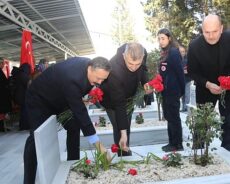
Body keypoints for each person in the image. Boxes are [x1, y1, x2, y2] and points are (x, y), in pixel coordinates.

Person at [23, 56, 112, 184]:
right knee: (36, 139)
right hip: (40, 99)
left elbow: (74, 96)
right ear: (90, 68)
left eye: (103, 79)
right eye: (98, 78)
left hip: (61, 99)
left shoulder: (90, 68)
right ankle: (28, 181)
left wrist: (78, 98)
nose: (100, 82)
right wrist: (99, 146)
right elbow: (80, 112)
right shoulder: (72, 78)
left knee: (73, 126)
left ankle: (73, 165)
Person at [100, 42, 151, 156]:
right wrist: (123, 133)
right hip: (111, 99)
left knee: (126, 124)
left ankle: (125, 148)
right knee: (119, 126)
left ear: (142, 57)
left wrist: (145, 82)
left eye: (137, 64)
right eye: (130, 63)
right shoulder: (114, 68)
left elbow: (143, 69)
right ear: (124, 56)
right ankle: (123, 154)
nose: (133, 68)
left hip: (129, 96)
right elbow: (119, 104)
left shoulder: (143, 53)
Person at [187, 14, 230, 151]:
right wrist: (208, 84)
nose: (211, 36)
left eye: (215, 31)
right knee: (202, 122)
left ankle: (227, 150)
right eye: (207, 32)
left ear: (221, 28)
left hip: (228, 88)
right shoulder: (194, 46)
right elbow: (192, 72)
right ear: (202, 30)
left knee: (228, 120)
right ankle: (198, 150)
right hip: (205, 88)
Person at [157, 28, 185, 152]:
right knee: (169, 116)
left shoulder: (173, 52)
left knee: (174, 117)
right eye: (159, 39)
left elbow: (180, 72)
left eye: (163, 38)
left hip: (173, 91)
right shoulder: (165, 52)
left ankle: (177, 144)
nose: (161, 41)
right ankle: (171, 142)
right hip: (165, 91)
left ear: (169, 38)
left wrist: (181, 91)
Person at [11, 63, 31, 130]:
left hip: (18, 96)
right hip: (23, 96)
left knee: (23, 111)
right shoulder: (24, 75)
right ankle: (24, 126)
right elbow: (28, 85)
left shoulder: (19, 74)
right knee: (25, 111)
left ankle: (22, 125)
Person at [179, 45, 192, 112]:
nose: (182, 53)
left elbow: (192, 70)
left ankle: (186, 108)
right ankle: (183, 107)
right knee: (182, 94)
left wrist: (187, 71)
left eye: (183, 51)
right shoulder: (176, 61)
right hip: (180, 80)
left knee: (186, 94)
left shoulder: (187, 61)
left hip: (187, 80)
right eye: (180, 52)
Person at [0, 59, 12, 131]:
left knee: (2, 113)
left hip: (2, 95)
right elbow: (3, 83)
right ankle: (2, 127)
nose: (4, 65)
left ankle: (2, 127)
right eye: (2, 63)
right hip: (1, 96)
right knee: (1, 112)